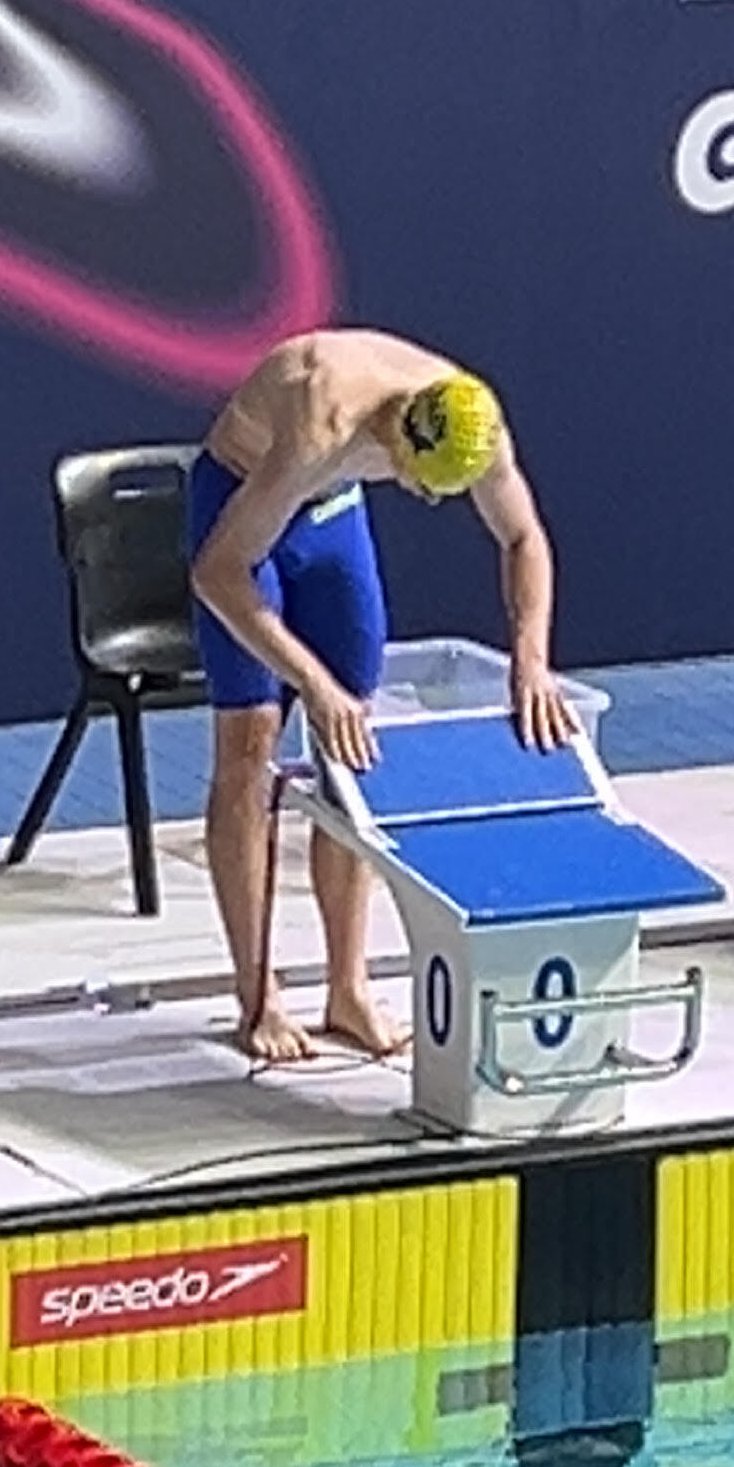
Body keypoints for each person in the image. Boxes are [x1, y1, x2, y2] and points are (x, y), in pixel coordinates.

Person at [187, 329, 575, 1063]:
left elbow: (523, 536)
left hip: (333, 516)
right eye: (418, 483)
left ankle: (348, 987)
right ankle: (258, 994)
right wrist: (314, 684)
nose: (425, 500)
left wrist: (531, 656)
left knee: (351, 747)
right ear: (396, 437)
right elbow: (219, 573)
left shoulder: (473, 417)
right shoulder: (323, 418)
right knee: (249, 742)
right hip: (241, 499)